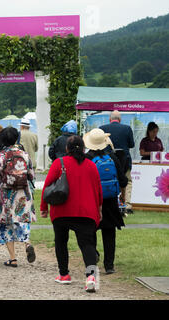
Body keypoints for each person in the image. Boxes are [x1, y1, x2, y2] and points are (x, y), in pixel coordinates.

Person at [40, 135, 102, 293]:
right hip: (86, 212)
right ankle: (91, 277)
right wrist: (99, 209)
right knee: (87, 244)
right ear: (83, 148)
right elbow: (98, 191)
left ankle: (64, 274)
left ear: (66, 149)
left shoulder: (59, 163)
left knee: (61, 241)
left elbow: (47, 186)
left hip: (62, 210)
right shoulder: (91, 165)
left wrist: (44, 208)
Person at [84, 128, 127, 274]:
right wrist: (122, 195)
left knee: (91, 232)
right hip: (110, 201)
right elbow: (123, 180)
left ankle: (93, 258)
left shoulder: (87, 159)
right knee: (109, 234)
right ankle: (109, 266)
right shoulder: (112, 157)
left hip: (93, 201)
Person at [0, 127, 37, 267]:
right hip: (22, 193)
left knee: (5, 225)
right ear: (17, 138)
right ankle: (27, 243)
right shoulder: (24, 155)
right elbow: (31, 175)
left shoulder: (0, 156)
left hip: (5, 194)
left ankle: (13, 258)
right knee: (22, 220)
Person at [100, 110, 135, 214]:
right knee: (127, 181)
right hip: (124, 161)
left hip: (107, 161)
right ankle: (127, 205)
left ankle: (109, 204)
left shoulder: (102, 129)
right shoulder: (127, 128)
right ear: (120, 120)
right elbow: (131, 145)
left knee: (108, 180)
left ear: (110, 119)